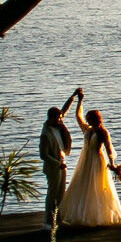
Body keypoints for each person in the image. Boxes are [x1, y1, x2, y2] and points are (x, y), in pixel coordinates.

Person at [56, 89, 121, 227]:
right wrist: (79, 101)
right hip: (85, 160)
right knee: (82, 184)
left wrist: (112, 164)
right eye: (87, 118)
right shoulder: (87, 129)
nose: (86, 120)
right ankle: (81, 213)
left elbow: (109, 149)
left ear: (95, 119)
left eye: (89, 118)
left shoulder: (103, 132)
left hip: (96, 161)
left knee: (96, 187)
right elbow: (78, 116)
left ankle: (97, 215)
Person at [39, 89, 83, 225]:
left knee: (61, 193)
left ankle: (58, 219)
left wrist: (73, 96)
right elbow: (43, 155)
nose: (60, 120)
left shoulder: (57, 123)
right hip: (53, 167)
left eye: (60, 118)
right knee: (52, 194)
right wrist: (57, 164)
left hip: (62, 163)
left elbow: (64, 110)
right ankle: (48, 221)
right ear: (51, 118)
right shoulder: (46, 134)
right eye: (58, 118)